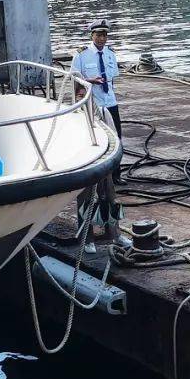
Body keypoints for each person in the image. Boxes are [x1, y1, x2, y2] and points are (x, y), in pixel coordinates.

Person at [71, 19, 128, 250]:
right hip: (90, 107)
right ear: (92, 35)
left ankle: (113, 232)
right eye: (98, 34)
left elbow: (113, 78)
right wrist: (88, 83)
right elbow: (73, 80)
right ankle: (87, 236)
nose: (102, 38)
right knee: (87, 189)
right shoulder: (82, 55)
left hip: (108, 104)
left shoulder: (111, 54)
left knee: (109, 186)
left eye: (105, 34)